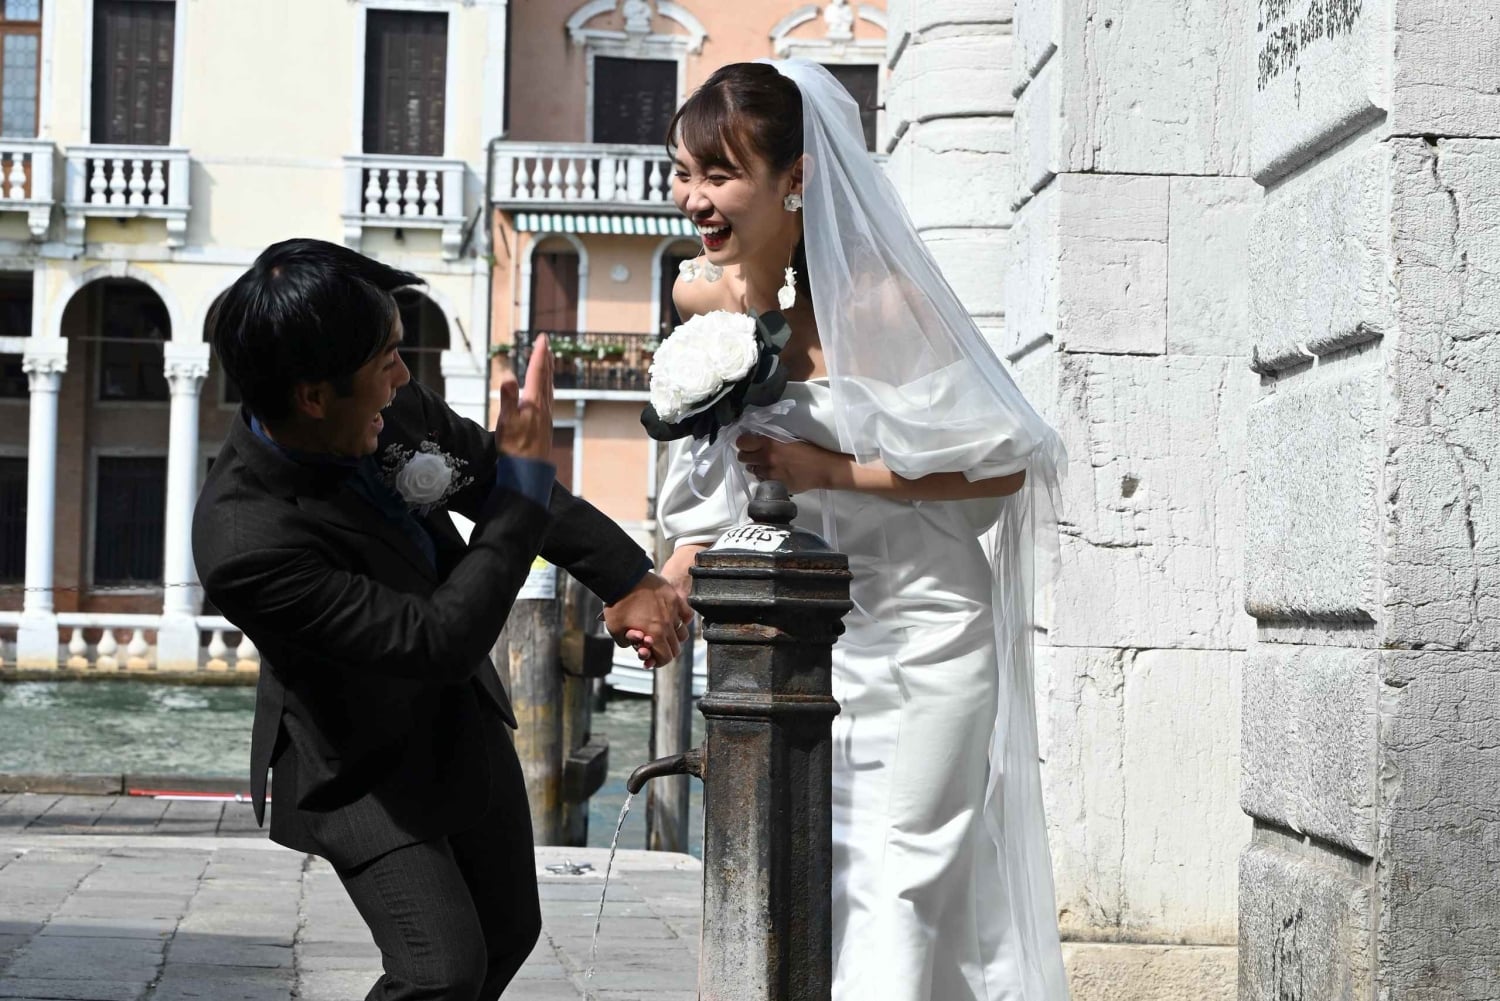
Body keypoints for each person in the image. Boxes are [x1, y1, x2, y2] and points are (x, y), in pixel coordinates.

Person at [656, 62, 1072, 1000]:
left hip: (927, 629)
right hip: (811, 644)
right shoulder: (702, 306)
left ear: (794, 178)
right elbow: (714, 482)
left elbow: (1006, 460)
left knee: (906, 873)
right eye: (683, 173)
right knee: (833, 875)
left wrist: (828, 471)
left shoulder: (884, 303)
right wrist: (673, 573)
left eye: (718, 174)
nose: (695, 199)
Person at [193, 238, 691, 1001]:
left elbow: (492, 473)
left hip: (460, 721)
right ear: (313, 396)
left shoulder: (386, 406)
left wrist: (629, 579)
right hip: (356, 766)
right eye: (386, 363)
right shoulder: (243, 540)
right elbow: (435, 637)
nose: (402, 380)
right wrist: (523, 488)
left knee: (507, 935)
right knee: (440, 972)